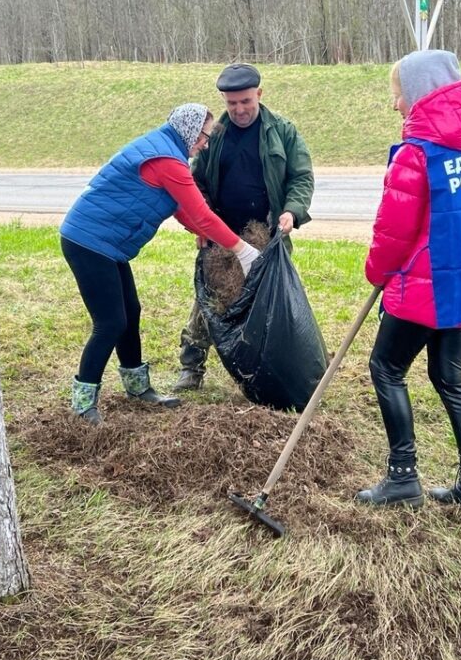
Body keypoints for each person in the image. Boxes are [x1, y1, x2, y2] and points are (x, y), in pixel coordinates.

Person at [355, 50, 461, 513]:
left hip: (424, 289)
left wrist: (377, 273)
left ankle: (402, 478)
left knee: (386, 369)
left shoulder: (417, 153)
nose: (395, 105)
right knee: (450, 377)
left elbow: (393, 231)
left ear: (416, 93)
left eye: (397, 95)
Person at [59, 104, 261, 424]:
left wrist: (200, 230)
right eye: (204, 136)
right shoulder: (168, 160)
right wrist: (242, 250)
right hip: (88, 242)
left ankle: (138, 389)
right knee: (110, 322)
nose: (205, 144)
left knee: (131, 312)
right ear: (190, 131)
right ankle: (84, 403)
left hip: (107, 245)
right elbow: (201, 213)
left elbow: (181, 207)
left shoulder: (168, 150)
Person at [174, 63, 315, 390]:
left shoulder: (282, 131)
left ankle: (273, 369)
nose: (239, 109)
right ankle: (191, 365)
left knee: (270, 302)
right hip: (221, 234)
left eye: (246, 101)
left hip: (266, 235)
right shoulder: (215, 135)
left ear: (259, 95)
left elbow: (301, 177)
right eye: (231, 103)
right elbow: (195, 183)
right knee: (209, 300)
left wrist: (292, 212)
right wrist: (201, 223)